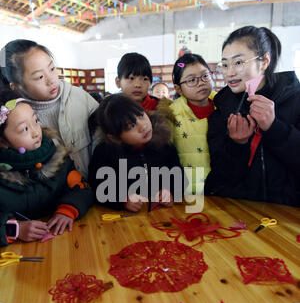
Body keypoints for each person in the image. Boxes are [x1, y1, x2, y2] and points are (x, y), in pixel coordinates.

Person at [205, 26, 300, 207]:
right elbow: (221, 176)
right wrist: (237, 145)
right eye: (224, 64)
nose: (230, 72)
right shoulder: (221, 111)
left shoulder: (294, 99)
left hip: (287, 214)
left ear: (264, 61)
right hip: (238, 213)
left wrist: (275, 128)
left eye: (238, 62)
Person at [0, 89, 94, 247]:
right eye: (24, 129)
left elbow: (81, 187)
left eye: (35, 121)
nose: (36, 132)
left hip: (62, 245)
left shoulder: (56, 156)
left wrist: (68, 210)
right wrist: (15, 229)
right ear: (3, 141)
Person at [0, 39, 99, 178]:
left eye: (52, 69)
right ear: (16, 87)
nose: (51, 80)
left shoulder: (80, 98)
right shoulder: (17, 119)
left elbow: (105, 142)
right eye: (39, 77)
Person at [88, 94, 186, 212]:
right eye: (131, 126)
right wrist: (123, 200)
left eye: (141, 116)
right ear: (114, 137)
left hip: (161, 214)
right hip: (124, 222)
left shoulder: (164, 144)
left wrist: (170, 192)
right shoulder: (105, 153)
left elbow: (179, 176)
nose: (143, 126)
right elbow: (98, 187)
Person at [157, 53, 216, 194]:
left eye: (205, 76)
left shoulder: (225, 107)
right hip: (188, 191)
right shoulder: (170, 114)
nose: (201, 82)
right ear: (178, 89)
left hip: (224, 188)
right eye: (191, 80)